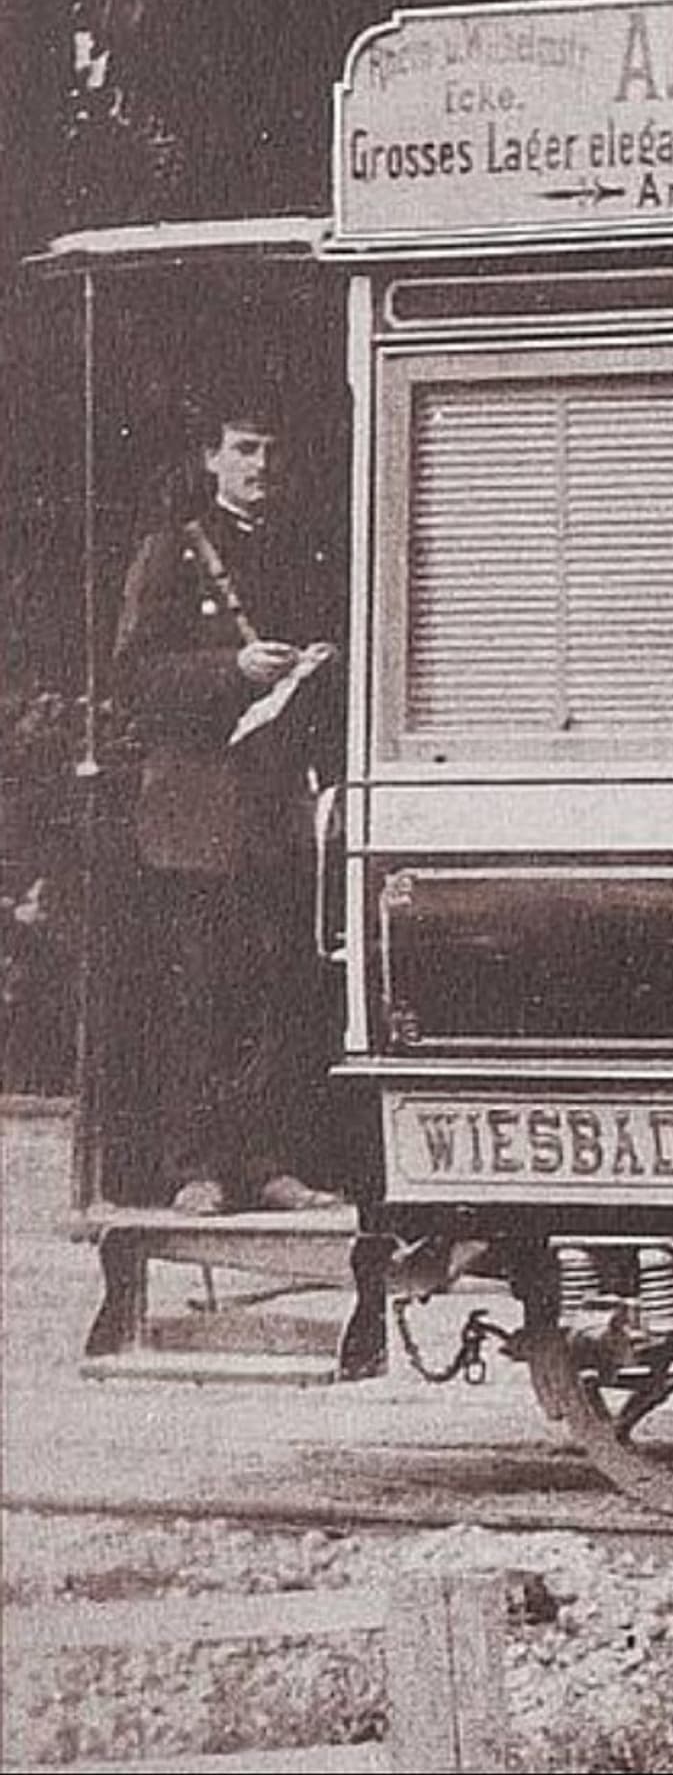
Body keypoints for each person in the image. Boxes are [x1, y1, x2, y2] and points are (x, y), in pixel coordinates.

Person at [114, 404, 348, 1215]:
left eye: (272, 451)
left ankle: (268, 1162)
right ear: (211, 459)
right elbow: (136, 676)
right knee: (202, 993)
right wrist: (232, 669)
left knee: (277, 989)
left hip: (276, 804)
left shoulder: (296, 551)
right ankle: (196, 1167)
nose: (261, 466)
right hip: (200, 811)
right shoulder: (174, 551)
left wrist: (314, 663)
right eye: (245, 449)